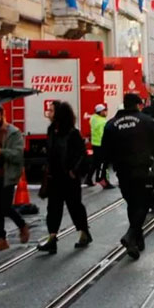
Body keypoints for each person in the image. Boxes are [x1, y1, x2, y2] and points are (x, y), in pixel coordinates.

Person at [101, 93, 154, 260]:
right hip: (143, 169)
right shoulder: (147, 121)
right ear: (138, 105)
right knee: (143, 203)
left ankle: (137, 239)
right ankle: (130, 236)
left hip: (123, 171)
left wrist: (101, 171)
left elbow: (104, 151)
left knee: (132, 203)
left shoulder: (111, 124)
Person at [37, 101, 92, 254]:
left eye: (52, 110)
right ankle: (52, 238)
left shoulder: (72, 133)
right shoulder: (51, 130)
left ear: (60, 114)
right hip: (54, 176)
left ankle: (84, 233)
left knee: (74, 206)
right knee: (53, 208)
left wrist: (74, 170)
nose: (49, 113)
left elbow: (81, 154)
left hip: (69, 177)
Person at [0, 103, 31, 252]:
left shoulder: (14, 133)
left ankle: (22, 225)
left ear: (3, 116)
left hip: (7, 175)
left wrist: (0, 152)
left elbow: (17, 155)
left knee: (5, 207)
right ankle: (1, 238)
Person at [86, 103, 114, 189]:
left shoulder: (93, 118)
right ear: (100, 112)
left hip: (95, 143)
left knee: (95, 163)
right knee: (103, 164)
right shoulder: (102, 122)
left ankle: (89, 179)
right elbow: (105, 135)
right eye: (104, 110)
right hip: (102, 145)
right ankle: (102, 179)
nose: (106, 112)